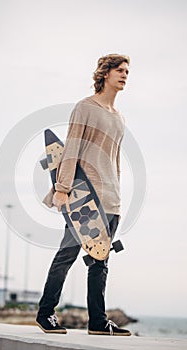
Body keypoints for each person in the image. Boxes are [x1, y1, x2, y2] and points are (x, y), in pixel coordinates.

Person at [36, 54, 131, 336]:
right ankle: (45, 313)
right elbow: (71, 149)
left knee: (100, 261)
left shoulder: (119, 117)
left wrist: (117, 195)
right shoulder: (85, 108)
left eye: (127, 71)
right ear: (105, 74)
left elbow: (113, 160)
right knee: (67, 254)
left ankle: (98, 322)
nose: (125, 75)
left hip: (110, 195)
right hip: (84, 195)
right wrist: (62, 189)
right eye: (120, 70)